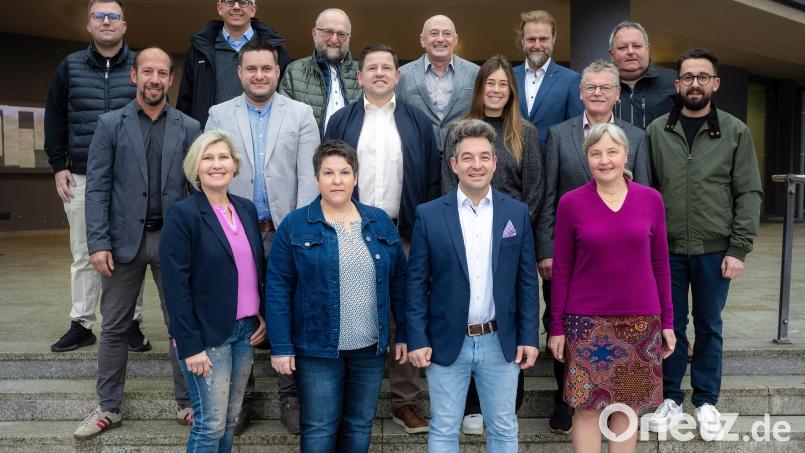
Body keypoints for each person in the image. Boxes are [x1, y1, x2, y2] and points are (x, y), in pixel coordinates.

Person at [74, 47, 200, 440]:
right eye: (148, 72)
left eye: (162, 73)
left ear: (171, 79)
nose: (155, 80)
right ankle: (108, 408)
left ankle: (188, 404)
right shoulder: (110, 124)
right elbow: (96, 188)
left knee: (181, 324)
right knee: (114, 327)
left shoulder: (189, 127)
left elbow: (197, 190)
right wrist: (98, 242)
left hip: (173, 243)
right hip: (121, 243)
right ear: (134, 76)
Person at [645, 48, 763, 441]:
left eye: (703, 77)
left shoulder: (735, 131)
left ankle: (707, 400)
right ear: (678, 84)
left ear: (715, 83)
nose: (695, 84)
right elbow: (646, 191)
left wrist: (738, 248)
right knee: (670, 324)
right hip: (668, 250)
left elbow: (748, 192)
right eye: (688, 77)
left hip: (716, 250)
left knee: (710, 324)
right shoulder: (657, 131)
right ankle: (670, 397)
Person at [205, 37, 319, 434]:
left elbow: (309, 177)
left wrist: (299, 231)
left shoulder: (301, 113)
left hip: (285, 230)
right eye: (251, 68)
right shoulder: (219, 114)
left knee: (288, 312)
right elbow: (210, 173)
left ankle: (291, 396)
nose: (259, 75)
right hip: (236, 232)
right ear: (239, 72)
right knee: (239, 314)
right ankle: (242, 396)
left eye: (266, 68)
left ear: (277, 72)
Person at [325, 43, 440, 434]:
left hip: (402, 232)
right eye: (371, 67)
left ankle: (405, 401)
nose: (378, 73)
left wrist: (425, 234)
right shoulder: (341, 120)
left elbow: (431, 181)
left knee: (405, 313)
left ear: (397, 75)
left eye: (386, 67)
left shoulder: (418, 122)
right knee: (350, 310)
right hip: (349, 230)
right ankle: (346, 397)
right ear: (359, 76)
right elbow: (329, 173)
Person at [407, 118, 540, 453]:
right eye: (467, 157)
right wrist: (417, 337)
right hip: (446, 340)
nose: (476, 165)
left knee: (504, 427)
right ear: (454, 164)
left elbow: (526, 281)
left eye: (483, 157)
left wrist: (529, 336)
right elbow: (416, 284)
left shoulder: (516, 213)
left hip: (500, 340)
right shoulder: (429, 215)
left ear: (495, 162)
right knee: (443, 428)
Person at [266, 139, 408, 452]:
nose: (337, 180)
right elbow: (277, 289)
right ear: (317, 179)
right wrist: (281, 346)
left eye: (344, 172)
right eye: (328, 173)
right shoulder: (295, 225)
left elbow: (400, 281)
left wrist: (405, 333)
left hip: (369, 349)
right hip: (316, 350)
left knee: (359, 426)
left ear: (356, 178)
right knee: (319, 429)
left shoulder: (379, 221)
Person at [536, 60, 653, 435]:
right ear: (580, 93)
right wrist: (546, 249)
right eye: (591, 87)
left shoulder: (636, 137)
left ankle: (609, 404)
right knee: (563, 326)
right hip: (573, 254)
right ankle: (566, 400)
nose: (598, 93)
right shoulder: (559, 134)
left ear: (618, 93)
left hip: (625, 265)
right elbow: (549, 195)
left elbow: (645, 194)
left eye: (605, 87)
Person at [548, 122, 675, 453]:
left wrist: (668, 322)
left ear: (626, 154)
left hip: (640, 321)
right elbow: (561, 269)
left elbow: (661, 264)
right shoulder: (571, 203)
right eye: (596, 153)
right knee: (586, 407)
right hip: (586, 323)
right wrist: (556, 326)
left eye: (612, 152)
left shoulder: (651, 199)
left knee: (626, 408)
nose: (604, 160)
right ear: (587, 157)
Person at [441, 54, 543, 435]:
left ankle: (507, 402)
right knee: (466, 310)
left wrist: (512, 231)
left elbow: (534, 190)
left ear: (512, 90)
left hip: (509, 239)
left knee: (508, 313)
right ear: (479, 88)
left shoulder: (526, 133)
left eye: (503, 84)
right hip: (463, 235)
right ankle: (470, 404)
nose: (496, 90)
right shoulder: (458, 131)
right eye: (490, 83)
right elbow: (445, 186)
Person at [44, 0, 150, 354]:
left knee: (130, 252)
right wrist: (58, 165)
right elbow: (55, 117)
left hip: (131, 178)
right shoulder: (70, 66)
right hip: (82, 176)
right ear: (88, 24)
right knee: (83, 251)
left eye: (113, 16)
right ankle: (82, 323)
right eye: (99, 16)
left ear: (124, 25)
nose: (106, 21)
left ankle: (130, 322)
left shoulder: (139, 66)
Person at [160, 131, 266, 452]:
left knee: (231, 419)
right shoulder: (183, 214)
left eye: (223, 157)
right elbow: (175, 287)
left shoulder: (246, 209)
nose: (216, 164)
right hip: (207, 336)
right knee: (210, 424)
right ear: (196, 168)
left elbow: (252, 269)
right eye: (208, 158)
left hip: (245, 331)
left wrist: (260, 312)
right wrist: (190, 345)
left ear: (235, 166)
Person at [177, 0, 291, 128]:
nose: (236, 7)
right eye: (230, 2)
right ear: (219, 8)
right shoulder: (199, 49)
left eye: (242, 2)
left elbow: (286, 100)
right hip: (211, 134)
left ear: (253, 10)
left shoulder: (276, 50)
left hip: (261, 134)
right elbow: (185, 101)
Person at [396, 15, 479, 154]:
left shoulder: (476, 73)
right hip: (418, 155)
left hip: (463, 156)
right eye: (434, 33)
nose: (440, 39)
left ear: (455, 40)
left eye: (447, 34)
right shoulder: (402, 75)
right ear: (422, 40)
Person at [278, 8, 362, 135]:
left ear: (349, 38)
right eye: (328, 32)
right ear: (314, 34)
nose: (334, 39)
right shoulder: (294, 72)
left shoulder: (364, 74)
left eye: (341, 34)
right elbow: (284, 124)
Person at [513, 10, 584, 149]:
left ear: (553, 39)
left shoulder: (571, 80)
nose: (537, 45)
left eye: (543, 39)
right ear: (522, 40)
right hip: (511, 160)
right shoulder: (508, 77)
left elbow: (574, 132)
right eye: (531, 39)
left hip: (552, 160)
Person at [608, 21, 677, 129]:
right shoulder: (600, 86)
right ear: (611, 54)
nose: (630, 52)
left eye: (637, 46)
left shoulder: (674, 81)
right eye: (622, 47)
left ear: (648, 49)